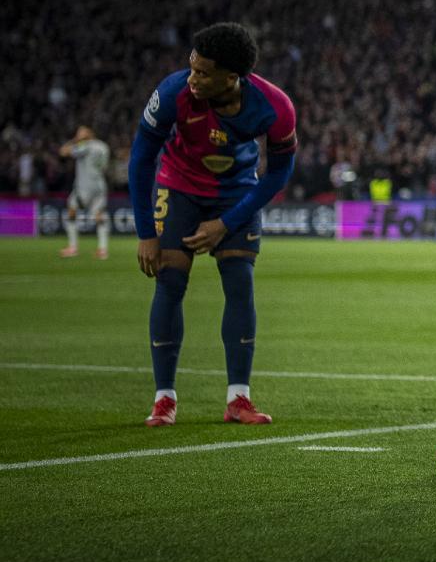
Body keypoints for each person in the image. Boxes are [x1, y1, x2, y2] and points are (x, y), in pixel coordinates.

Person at [128, 22, 297, 428]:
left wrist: (227, 222)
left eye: (203, 73)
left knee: (239, 280)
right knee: (170, 280)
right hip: (179, 186)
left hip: (236, 192)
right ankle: (164, 399)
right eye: (192, 67)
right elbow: (140, 159)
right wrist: (146, 233)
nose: (193, 78)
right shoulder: (173, 93)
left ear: (232, 77)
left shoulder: (275, 108)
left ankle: (238, 398)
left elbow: (277, 174)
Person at [59, 126, 112, 260]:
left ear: (88, 134)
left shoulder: (85, 145)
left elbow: (63, 152)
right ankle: (103, 249)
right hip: (99, 184)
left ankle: (73, 247)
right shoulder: (103, 146)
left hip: (84, 185)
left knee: (71, 209)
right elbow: (105, 167)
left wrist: (75, 140)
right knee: (99, 215)